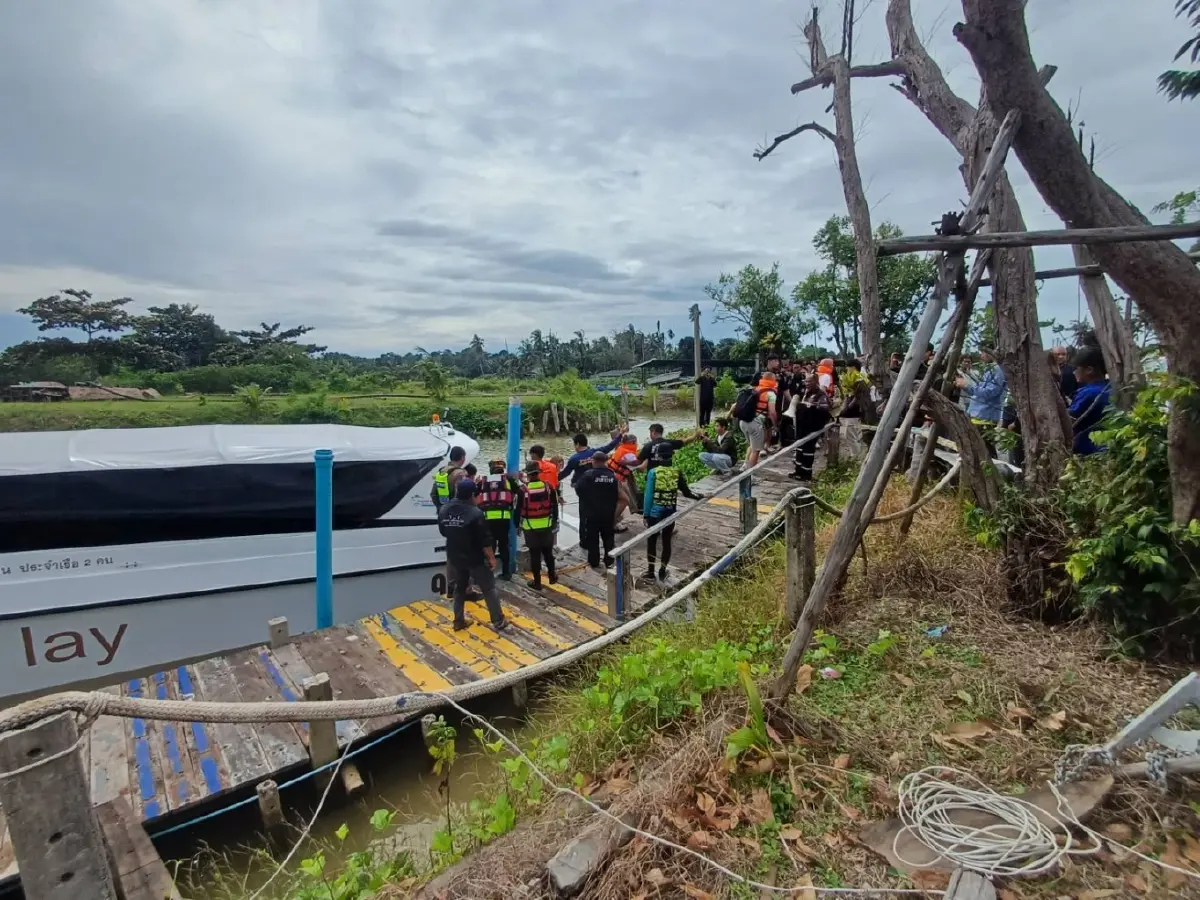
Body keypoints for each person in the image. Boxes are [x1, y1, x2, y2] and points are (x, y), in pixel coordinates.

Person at [436, 479, 510, 632]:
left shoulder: (444, 509)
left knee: (459, 588)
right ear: (471, 495)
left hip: (455, 556)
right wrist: (491, 558)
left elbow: (443, 531)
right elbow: (485, 541)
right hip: (475, 558)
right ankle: (498, 620)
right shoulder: (475, 513)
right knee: (489, 589)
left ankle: (458, 621)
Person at [642, 449, 704, 583]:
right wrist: (698, 496)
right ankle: (663, 570)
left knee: (652, 541)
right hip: (670, 510)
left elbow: (648, 495)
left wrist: (646, 514)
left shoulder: (653, 472)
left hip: (654, 512)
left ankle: (651, 572)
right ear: (671, 457)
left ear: (658, 457)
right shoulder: (677, 472)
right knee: (666, 540)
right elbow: (687, 493)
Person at [475, 458, 520, 580]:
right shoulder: (508, 480)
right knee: (504, 546)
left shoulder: (483, 481)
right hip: (503, 518)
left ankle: (488, 574)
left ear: (491, 468)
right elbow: (519, 492)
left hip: (487, 519)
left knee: (490, 546)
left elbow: (474, 494)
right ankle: (506, 573)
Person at [574, 452, 618, 569]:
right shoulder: (612, 475)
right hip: (608, 513)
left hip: (592, 513)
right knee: (608, 537)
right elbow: (616, 493)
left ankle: (594, 562)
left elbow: (578, 489)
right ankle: (609, 560)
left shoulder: (589, 474)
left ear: (594, 461)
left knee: (592, 538)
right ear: (605, 461)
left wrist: (588, 500)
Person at [519, 461, 559, 590]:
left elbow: (518, 510)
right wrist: (554, 521)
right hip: (546, 525)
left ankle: (537, 583)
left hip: (530, 528)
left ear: (528, 474)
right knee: (548, 553)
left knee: (534, 555)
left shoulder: (523, 490)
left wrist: (516, 525)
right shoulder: (548, 488)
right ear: (538, 473)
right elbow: (555, 507)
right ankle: (552, 576)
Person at [1068, 346, 1111, 456]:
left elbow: (1068, 418)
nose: (1074, 372)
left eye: (1076, 368)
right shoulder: (1109, 387)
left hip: (1090, 450)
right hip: (1107, 446)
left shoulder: (1089, 393)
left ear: (1089, 370)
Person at [731, 373, 776, 472]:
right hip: (755, 424)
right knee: (756, 451)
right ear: (773, 380)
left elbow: (735, 405)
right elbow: (772, 412)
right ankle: (750, 475)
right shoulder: (770, 393)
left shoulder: (754, 389)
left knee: (751, 445)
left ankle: (744, 466)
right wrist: (775, 426)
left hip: (743, 421)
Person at [791, 374, 831, 482]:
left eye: (809, 382)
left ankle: (806, 474)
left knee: (808, 450)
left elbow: (826, 407)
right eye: (806, 382)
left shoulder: (821, 394)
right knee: (799, 448)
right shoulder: (806, 392)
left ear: (815, 382)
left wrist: (814, 405)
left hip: (812, 426)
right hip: (802, 425)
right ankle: (798, 471)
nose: (806, 384)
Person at [956, 347, 1007, 425]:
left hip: (985, 416)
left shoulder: (998, 370)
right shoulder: (991, 369)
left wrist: (967, 386)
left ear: (991, 352)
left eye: (983, 353)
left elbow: (989, 393)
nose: (981, 356)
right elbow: (982, 386)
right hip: (978, 414)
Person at [607, 433, 641, 532]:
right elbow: (641, 469)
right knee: (624, 500)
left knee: (617, 501)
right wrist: (646, 459)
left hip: (611, 478)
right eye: (636, 442)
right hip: (616, 481)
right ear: (632, 442)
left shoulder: (621, 449)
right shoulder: (629, 454)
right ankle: (611, 523)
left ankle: (614, 521)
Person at [431, 445, 468, 511]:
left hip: (442, 510)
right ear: (462, 458)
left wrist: (440, 508)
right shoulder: (460, 473)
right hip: (455, 511)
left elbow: (433, 493)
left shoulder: (442, 470)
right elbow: (461, 495)